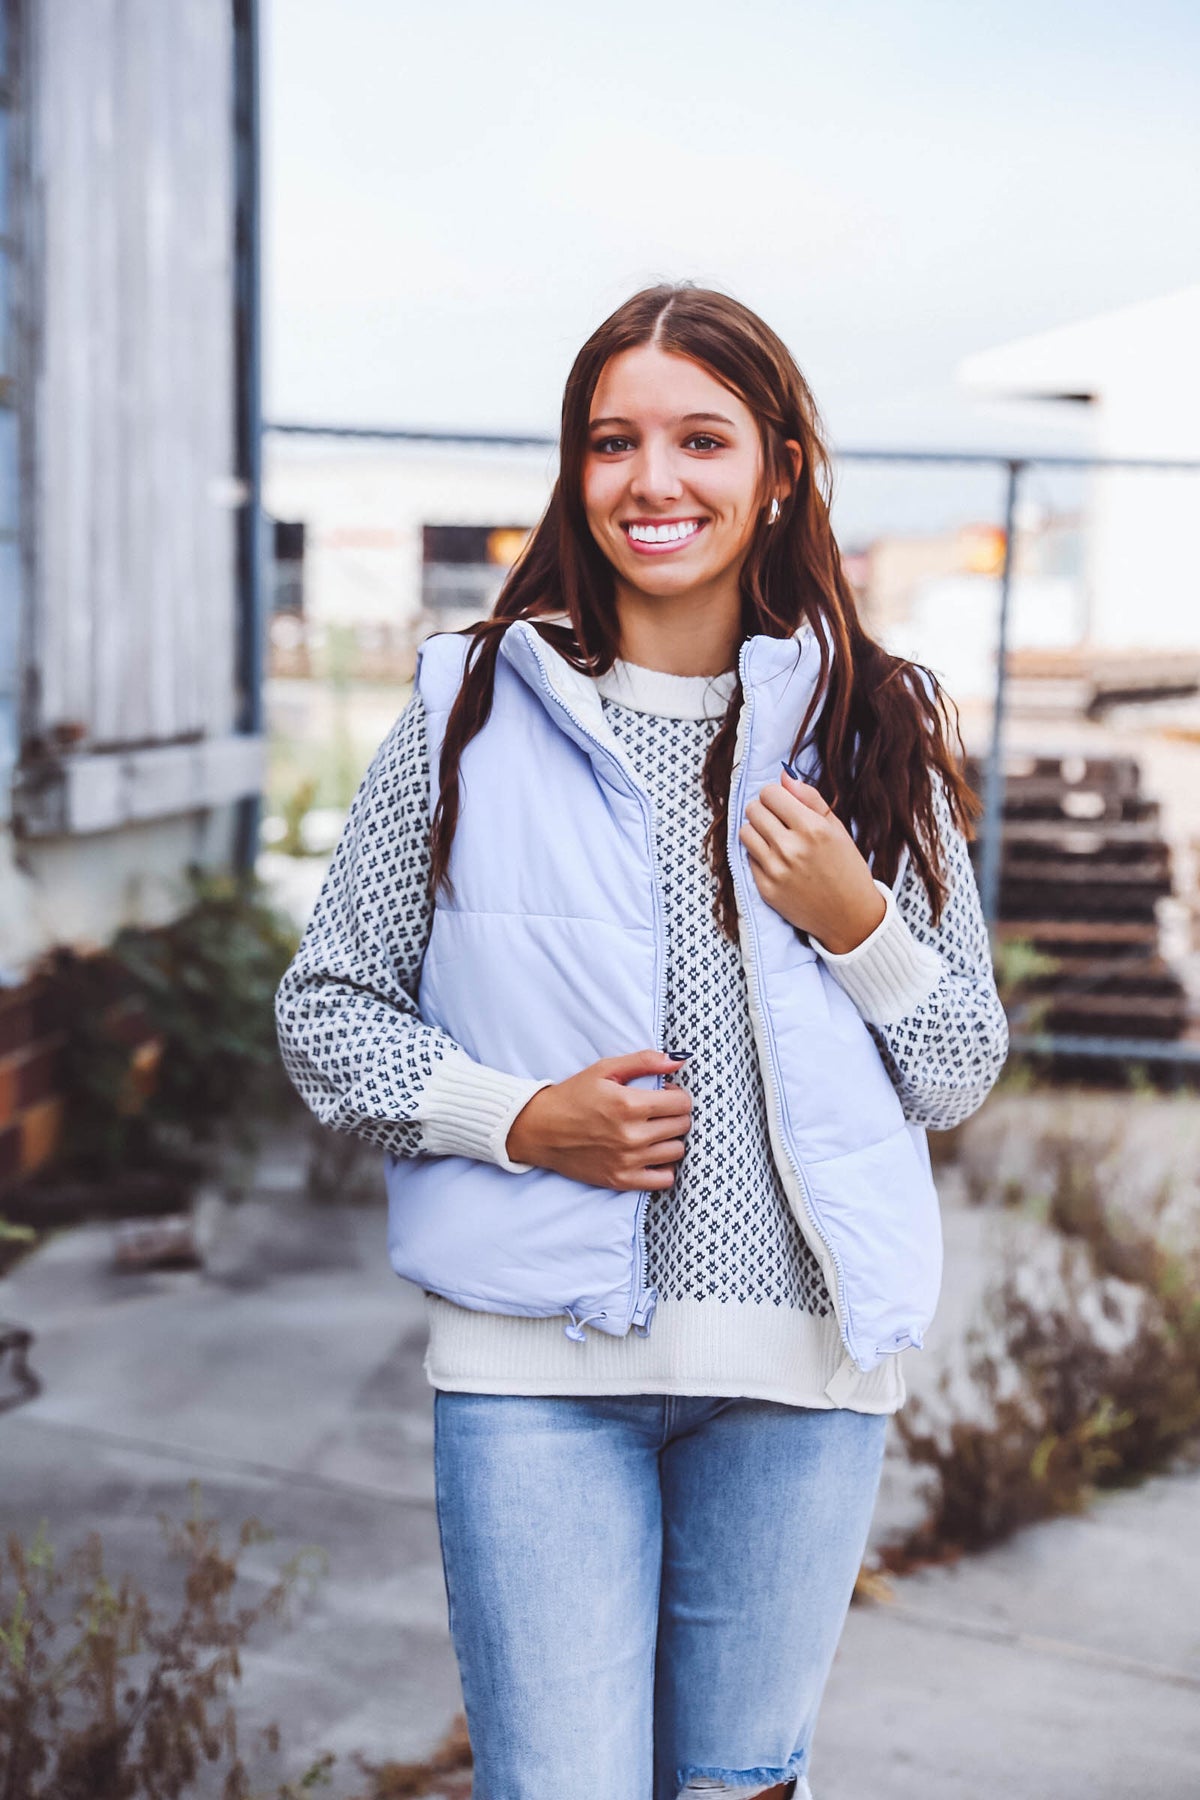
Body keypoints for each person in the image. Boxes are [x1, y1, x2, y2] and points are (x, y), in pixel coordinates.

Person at [275, 282, 1008, 1800]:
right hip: (539, 1369)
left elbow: (959, 1066)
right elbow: (326, 1011)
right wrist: (518, 1117)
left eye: (701, 439)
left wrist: (861, 922)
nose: (652, 481)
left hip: (798, 1378)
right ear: (575, 466)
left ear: (783, 468)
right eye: (613, 442)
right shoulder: (466, 708)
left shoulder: (879, 728)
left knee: (739, 1787)